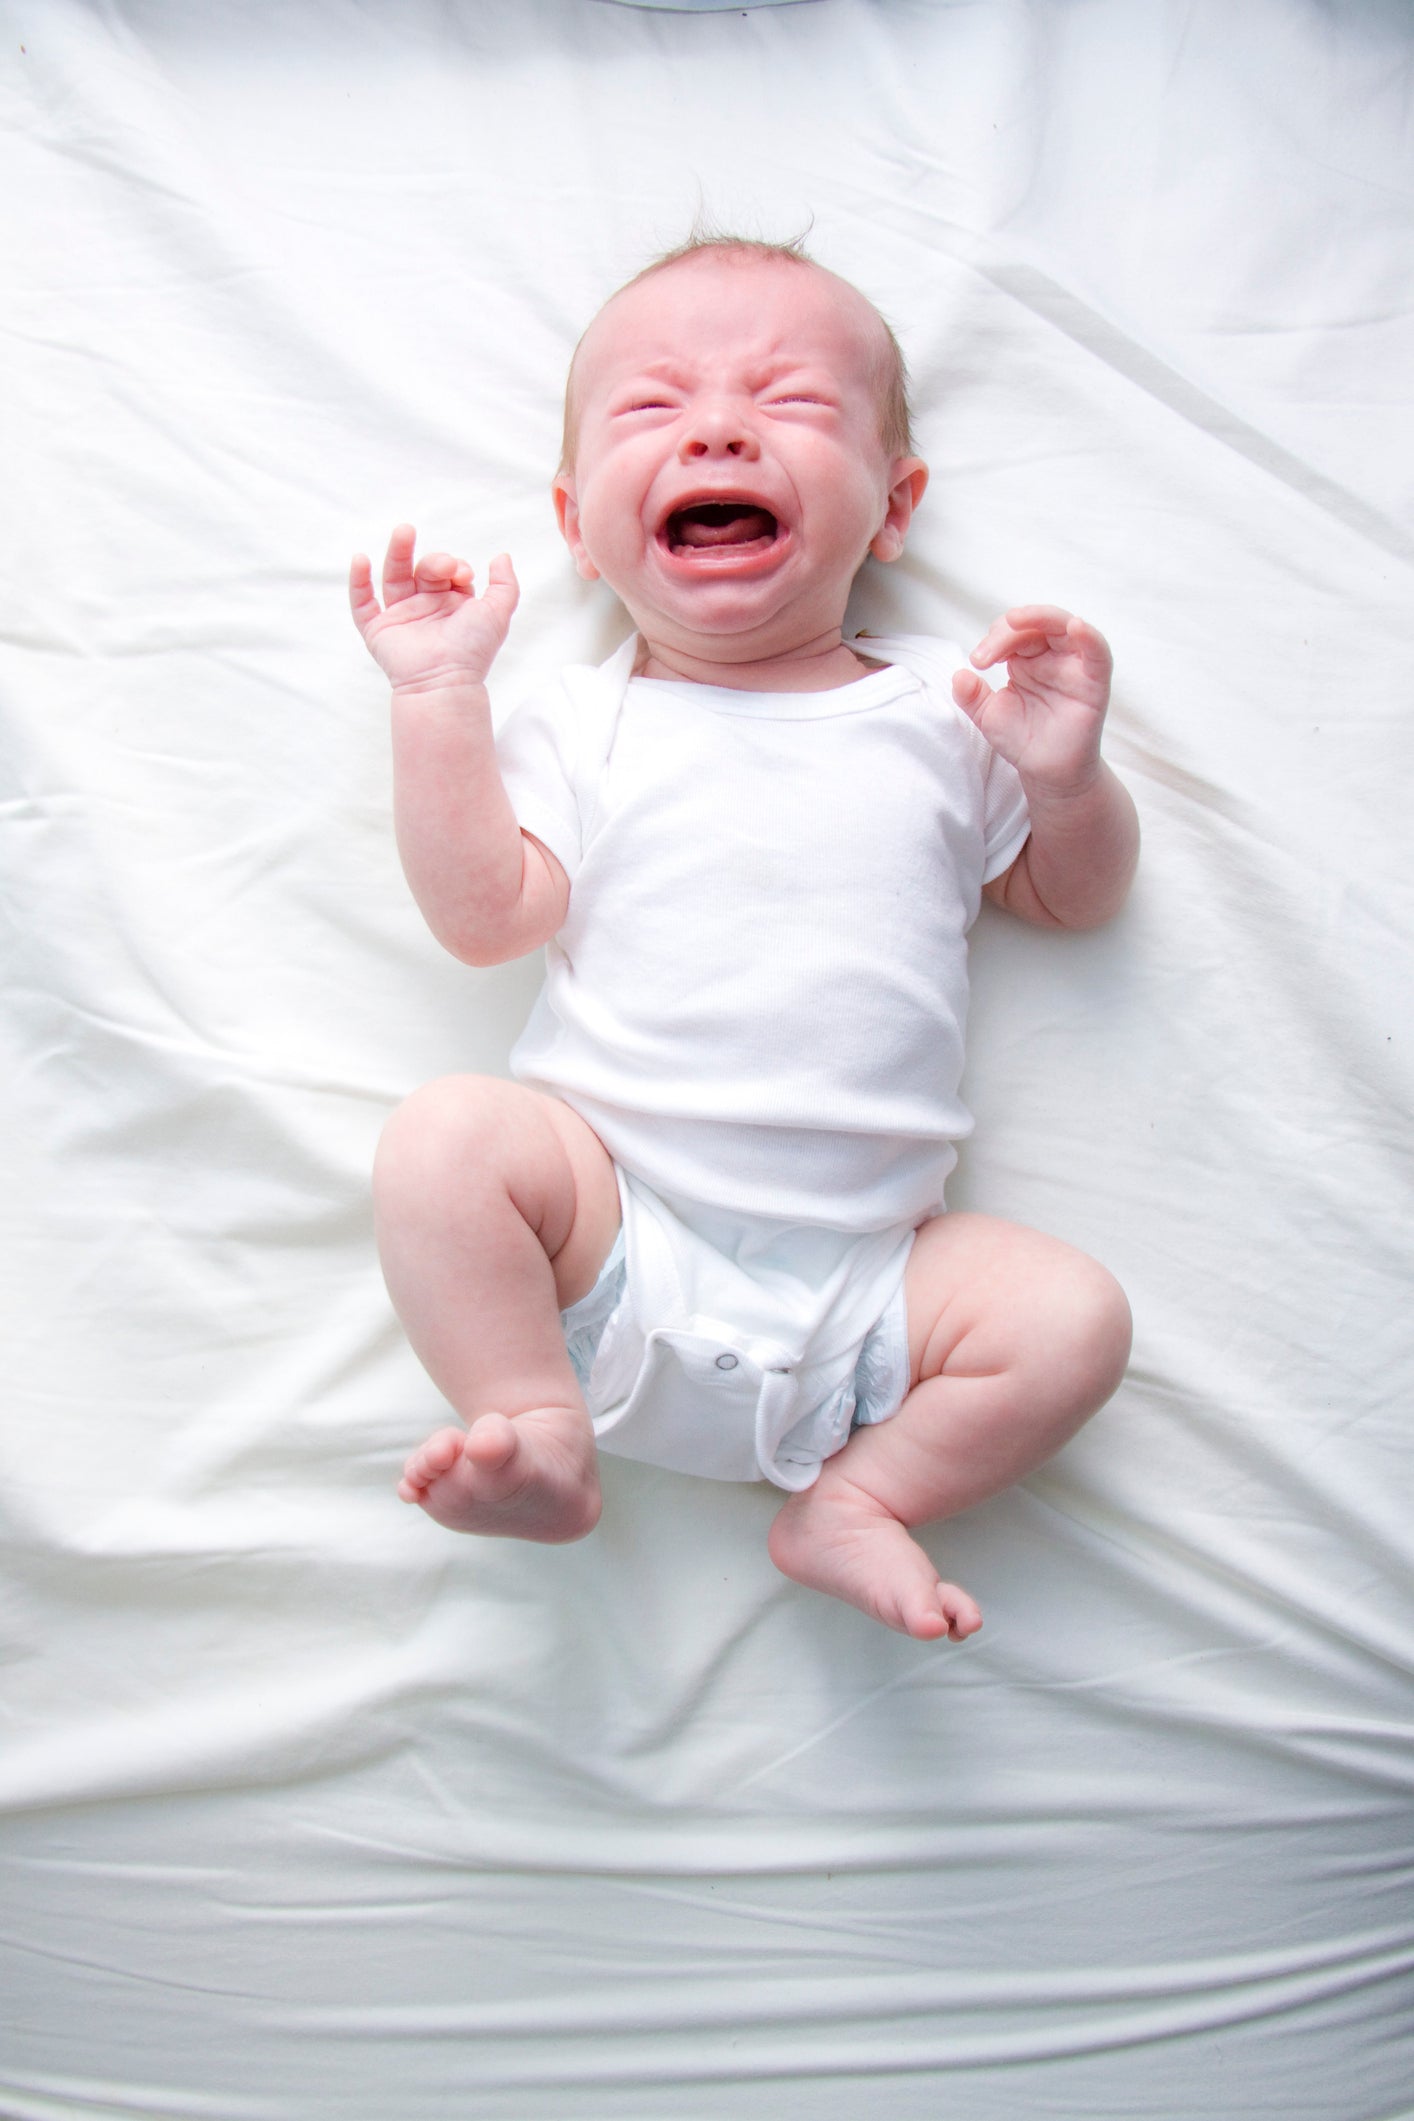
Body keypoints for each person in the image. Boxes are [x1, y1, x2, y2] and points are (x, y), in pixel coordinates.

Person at [348, 237, 1138, 1642]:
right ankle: (530, 1419)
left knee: (1072, 1319)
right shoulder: (577, 722)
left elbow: (1071, 899)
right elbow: (484, 922)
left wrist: (1067, 781)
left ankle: (854, 1501)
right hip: (612, 1238)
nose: (717, 425)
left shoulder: (945, 719)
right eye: (652, 408)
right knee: (444, 1139)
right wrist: (437, 702)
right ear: (576, 524)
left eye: (791, 401)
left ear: (893, 508)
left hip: (877, 1292)